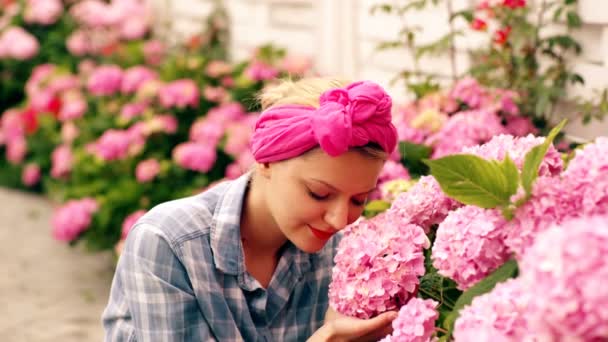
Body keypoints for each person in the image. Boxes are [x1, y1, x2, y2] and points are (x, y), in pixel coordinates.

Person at [102, 77, 399, 341]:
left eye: (358, 200)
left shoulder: (342, 254)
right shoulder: (169, 243)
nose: (339, 220)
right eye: (319, 193)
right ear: (266, 161)